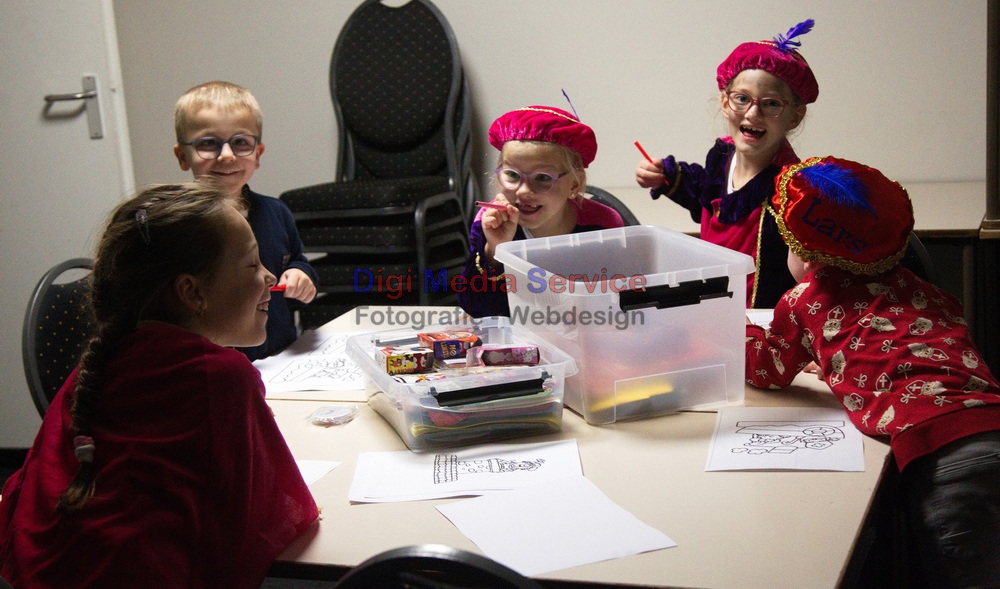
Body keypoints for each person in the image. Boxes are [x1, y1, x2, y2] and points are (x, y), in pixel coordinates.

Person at [0, 184, 319, 589]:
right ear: (191, 292)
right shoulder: (219, 377)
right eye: (252, 264)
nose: (269, 276)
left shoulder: (101, 361)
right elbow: (276, 513)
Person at [745, 156, 1000, 588]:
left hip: (945, 462)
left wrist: (739, 330)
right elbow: (901, 346)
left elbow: (768, 368)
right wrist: (840, 361)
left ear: (805, 252)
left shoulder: (804, 299)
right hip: (990, 422)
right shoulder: (929, 292)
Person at [635, 20, 818, 309]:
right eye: (742, 98)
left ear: (794, 116)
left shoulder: (792, 190)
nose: (753, 113)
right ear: (724, 103)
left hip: (759, 318)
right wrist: (665, 176)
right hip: (710, 304)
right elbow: (705, 194)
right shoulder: (722, 157)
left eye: (771, 103)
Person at [173, 80, 318, 360]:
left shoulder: (277, 213)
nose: (227, 156)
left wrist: (302, 275)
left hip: (280, 358)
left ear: (257, 154)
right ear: (182, 156)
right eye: (208, 143)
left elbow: (297, 260)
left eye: (240, 143)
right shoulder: (179, 225)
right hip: (213, 365)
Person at [458, 105, 624, 317]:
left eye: (543, 178)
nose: (524, 191)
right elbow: (476, 308)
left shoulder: (602, 226)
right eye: (512, 175)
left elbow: (617, 302)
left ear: (574, 184)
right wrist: (496, 249)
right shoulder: (491, 222)